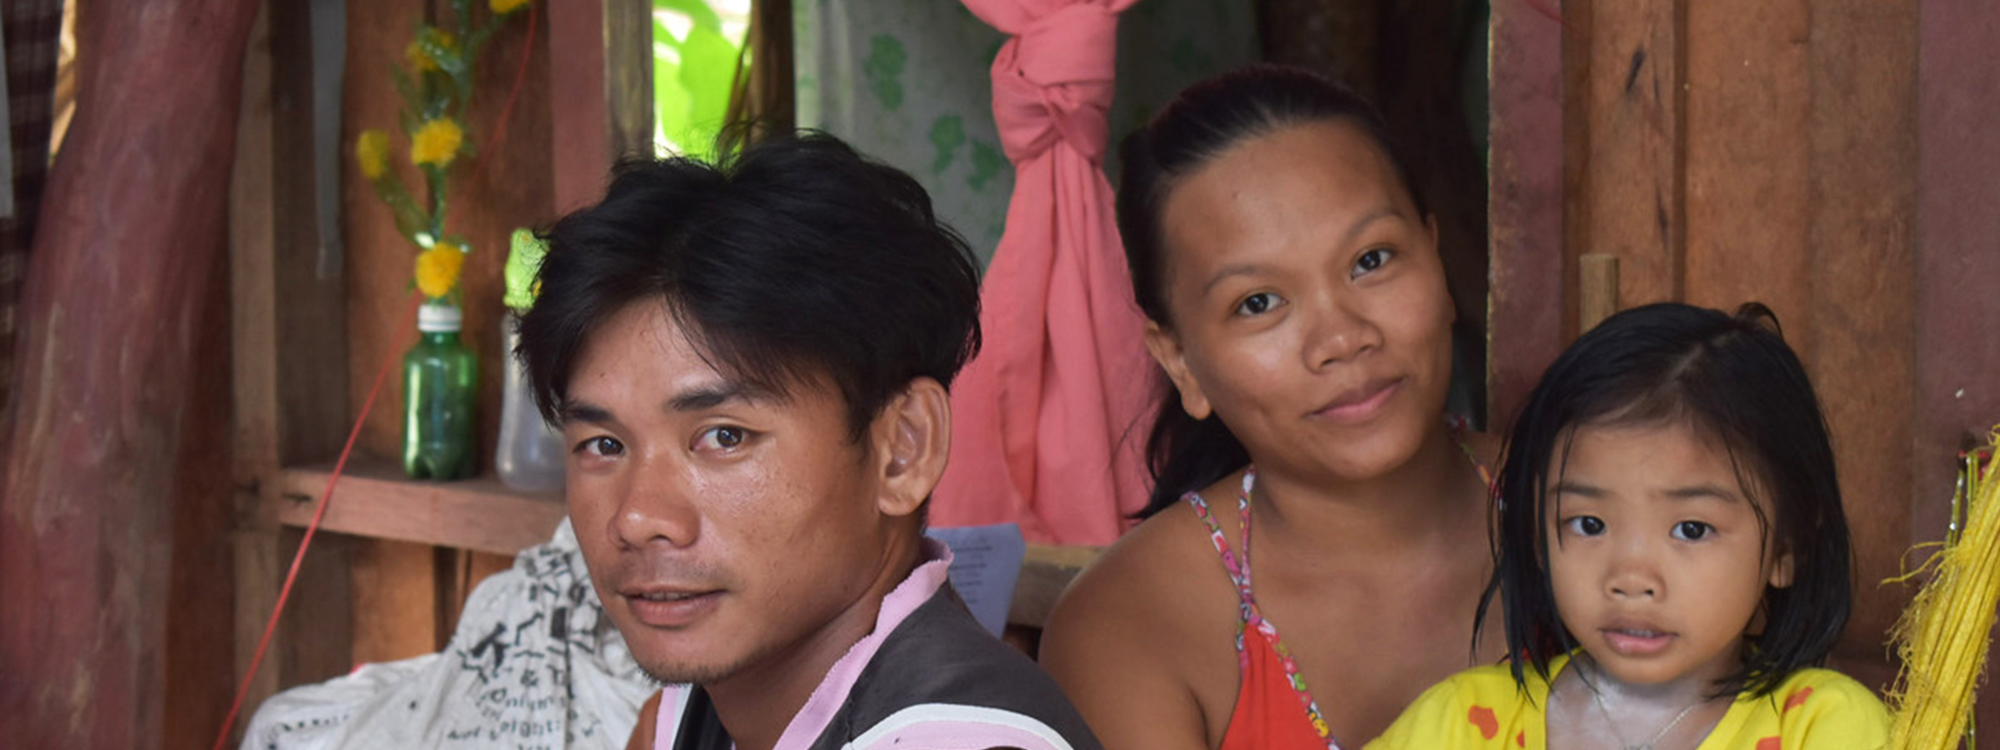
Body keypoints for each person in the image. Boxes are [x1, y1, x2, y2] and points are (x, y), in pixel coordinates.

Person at [515, 133, 1103, 750]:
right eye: (604, 445)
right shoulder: (681, 718)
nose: (637, 518)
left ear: (902, 449)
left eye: (724, 436)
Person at [1039, 65, 1505, 750]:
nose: (1343, 338)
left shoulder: (1582, 510)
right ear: (1178, 361)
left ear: (1437, 263)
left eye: (1372, 260)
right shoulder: (1132, 624)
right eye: (1258, 303)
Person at [1366, 302, 1889, 749]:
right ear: (1540, 538)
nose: (1631, 576)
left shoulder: (1822, 727)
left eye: (1691, 529)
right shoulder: (1461, 725)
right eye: (1589, 524)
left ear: (1786, 547)